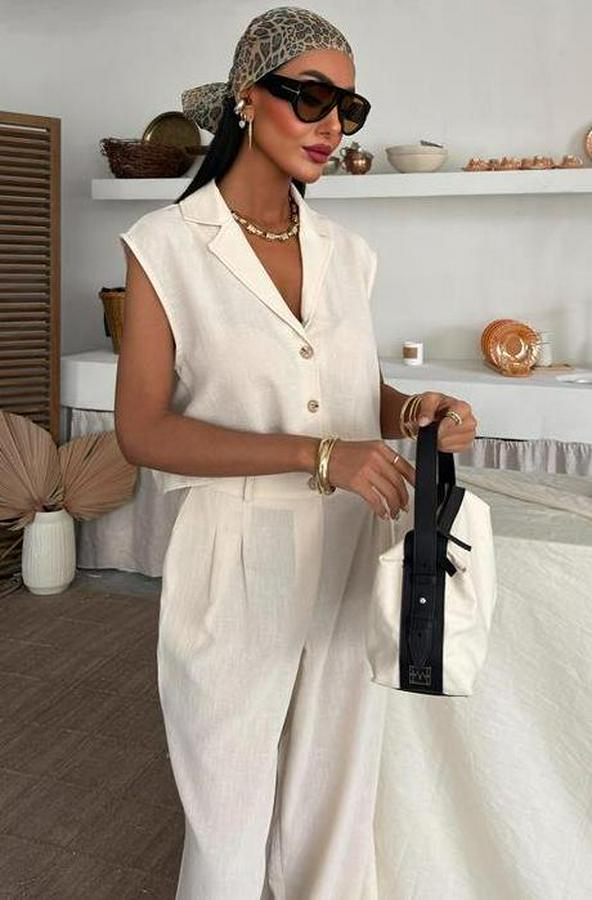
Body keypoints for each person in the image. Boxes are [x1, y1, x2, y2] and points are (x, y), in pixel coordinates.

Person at [114, 6, 477, 898]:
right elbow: (143, 430)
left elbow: (349, 387)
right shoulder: (168, 246)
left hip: (353, 541)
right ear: (246, 97)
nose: (330, 125)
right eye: (310, 97)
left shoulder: (348, 254)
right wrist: (321, 455)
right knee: (228, 806)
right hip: (236, 551)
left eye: (347, 108)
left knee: (333, 798)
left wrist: (413, 411)